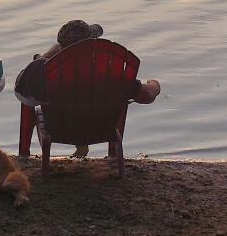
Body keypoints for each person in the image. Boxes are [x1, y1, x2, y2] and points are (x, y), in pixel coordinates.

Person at [15, 19, 160, 156]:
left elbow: (21, 90)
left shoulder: (48, 72)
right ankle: (90, 149)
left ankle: (29, 152)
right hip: (101, 129)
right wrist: (154, 85)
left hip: (60, 129)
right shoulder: (110, 73)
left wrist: (46, 58)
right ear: (92, 45)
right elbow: (147, 96)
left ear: (61, 47)